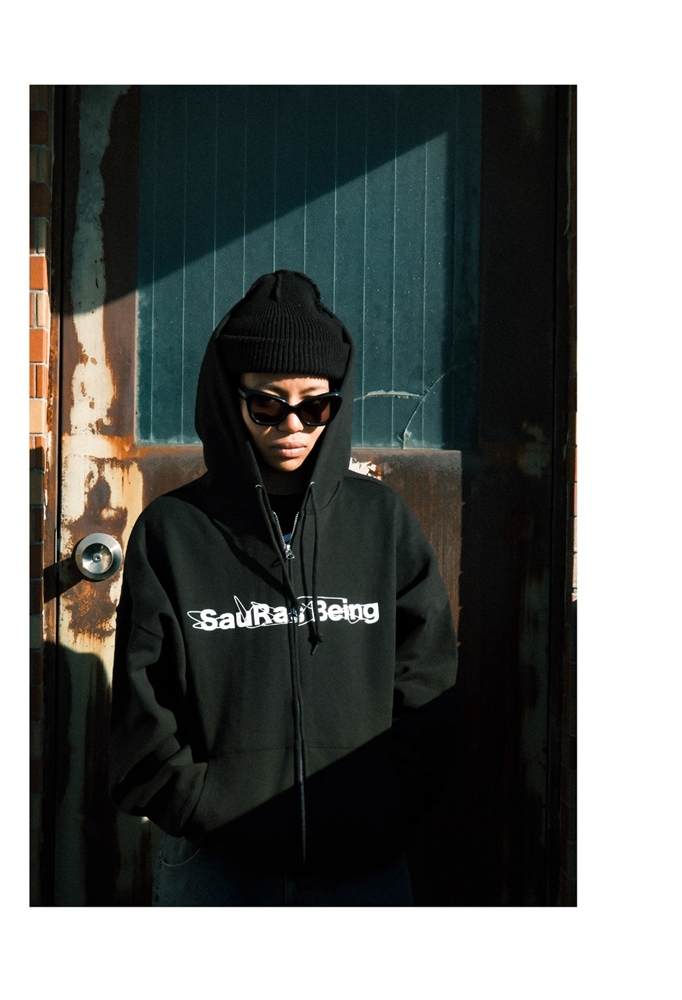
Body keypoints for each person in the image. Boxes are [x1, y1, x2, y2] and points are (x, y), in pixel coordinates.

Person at [109, 270, 458, 906]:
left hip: (365, 859)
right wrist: (198, 802)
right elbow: (143, 698)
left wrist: (389, 798)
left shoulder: (382, 521)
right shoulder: (174, 531)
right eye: (268, 404)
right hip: (216, 863)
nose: (293, 424)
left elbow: (427, 676)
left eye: (315, 404)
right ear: (231, 398)